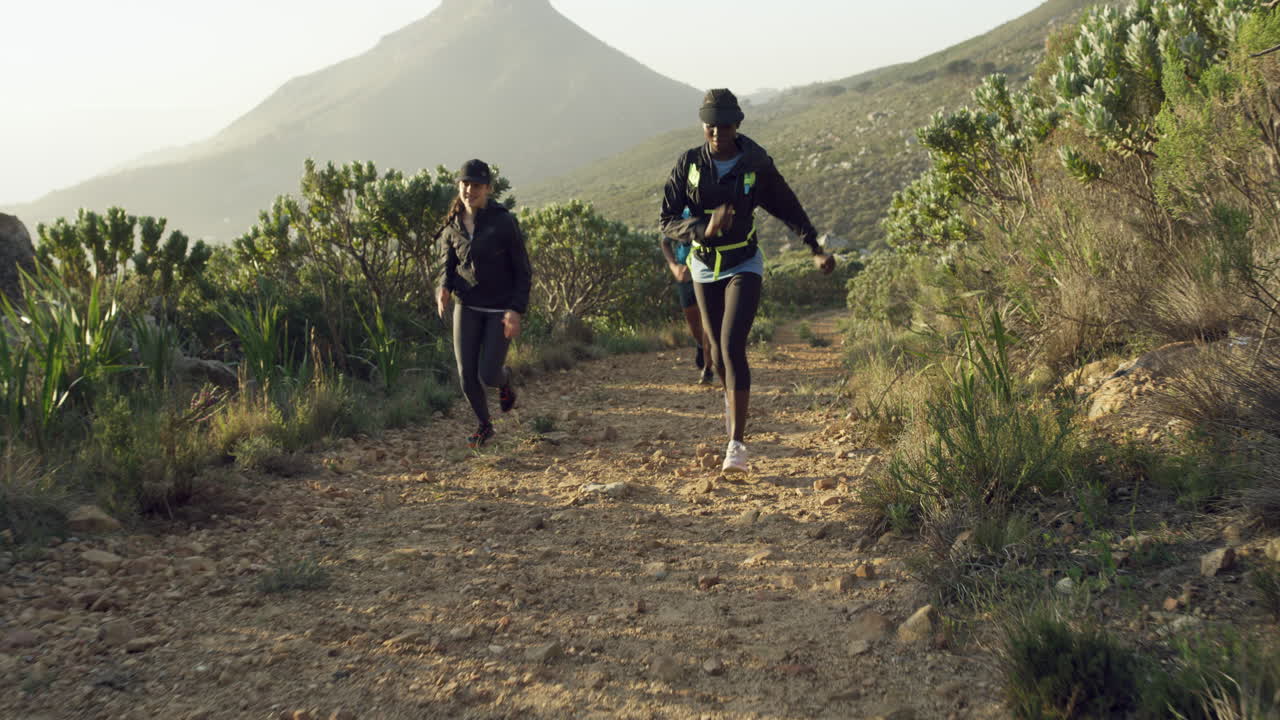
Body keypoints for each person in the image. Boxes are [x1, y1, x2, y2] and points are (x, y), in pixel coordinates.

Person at [660, 89, 835, 474]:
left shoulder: (755, 164)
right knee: (717, 356)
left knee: (731, 344)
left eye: (725, 125)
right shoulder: (689, 164)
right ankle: (731, 401)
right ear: (703, 125)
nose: (718, 133)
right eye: (711, 126)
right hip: (705, 266)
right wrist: (702, 228)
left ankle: (736, 444)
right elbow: (666, 220)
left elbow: (789, 207)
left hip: (744, 263)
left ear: (737, 124)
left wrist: (815, 248)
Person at [435, 158, 533, 448]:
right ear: (459, 187)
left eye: (477, 185)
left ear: (488, 188)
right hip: (467, 306)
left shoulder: (503, 221)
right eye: (465, 184)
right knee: (466, 375)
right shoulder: (453, 224)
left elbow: (523, 270)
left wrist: (515, 309)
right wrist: (443, 288)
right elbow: (447, 264)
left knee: (488, 374)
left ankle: (505, 381)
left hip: (499, 309)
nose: (470, 190)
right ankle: (484, 425)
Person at [660, 234, 715, 385]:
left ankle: (708, 367)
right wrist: (674, 267)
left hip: (708, 271)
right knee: (694, 325)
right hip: (685, 276)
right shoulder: (679, 213)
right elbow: (665, 243)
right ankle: (700, 345)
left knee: (708, 320)